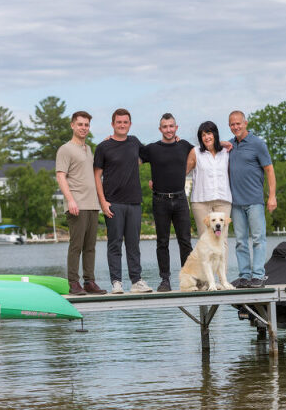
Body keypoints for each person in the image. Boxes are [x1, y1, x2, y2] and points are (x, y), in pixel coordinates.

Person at [94, 109, 152, 294]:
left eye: (125, 122)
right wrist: (103, 202)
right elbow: (97, 176)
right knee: (115, 244)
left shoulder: (134, 142)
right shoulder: (103, 147)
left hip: (134, 202)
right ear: (113, 124)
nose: (122, 125)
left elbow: (151, 156)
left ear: (130, 124)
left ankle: (136, 281)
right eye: (119, 122)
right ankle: (116, 282)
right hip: (113, 203)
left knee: (134, 244)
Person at [139, 113, 193, 292]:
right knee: (162, 242)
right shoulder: (152, 149)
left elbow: (206, 149)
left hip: (180, 200)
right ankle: (165, 280)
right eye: (165, 127)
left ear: (176, 128)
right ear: (160, 129)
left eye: (171, 126)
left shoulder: (184, 145)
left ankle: (188, 278)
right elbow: (131, 154)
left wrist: (222, 143)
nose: (168, 129)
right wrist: (110, 140)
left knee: (185, 241)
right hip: (160, 200)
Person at [56, 111, 106, 295]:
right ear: (72, 125)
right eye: (80, 124)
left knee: (90, 247)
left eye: (86, 125)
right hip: (77, 204)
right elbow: (60, 176)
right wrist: (70, 200)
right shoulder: (65, 149)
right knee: (76, 246)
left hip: (92, 205)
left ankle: (89, 282)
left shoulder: (88, 149)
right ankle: (73, 283)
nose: (83, 128)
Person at [228, 110, 277, 288]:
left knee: (258, 239)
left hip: (255, 201)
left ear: (245, 123)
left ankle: (258, 275)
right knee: (240, 241)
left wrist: (272, 196)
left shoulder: (257, 144)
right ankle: (244, 275)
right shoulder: (230, 146)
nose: (235, 127)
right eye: (232, 124)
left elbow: (270, 170)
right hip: (236, 203)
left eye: (238, 123)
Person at [186, 121, 232, 272]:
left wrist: (223, 144)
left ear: (215, 134)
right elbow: (182, 172)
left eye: (209, 133)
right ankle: (206, 279)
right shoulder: (195, 152)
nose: (206, 137)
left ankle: (223, 279)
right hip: (201, 201)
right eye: (203, 135)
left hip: (223, 200)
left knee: (222, 241)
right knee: (205, 241)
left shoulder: (226, 152)